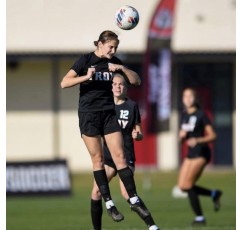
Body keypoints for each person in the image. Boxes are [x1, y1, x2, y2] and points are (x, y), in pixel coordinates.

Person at [61, 31, 155, 227]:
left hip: (108, 114)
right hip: (89, 115)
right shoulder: (85, 60)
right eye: (110, 47)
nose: (113, 51)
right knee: (98, 159)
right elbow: (64, 82)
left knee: (120, 157)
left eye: (116, 48)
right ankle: (110, 204)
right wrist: (85, 77)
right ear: (100, 44)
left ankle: (135, 200)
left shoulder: (114, 62)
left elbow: (136, 80)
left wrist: (121, 68)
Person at [90, 73, 159, 230]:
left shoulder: (131, 106)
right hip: (108, 157)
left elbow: (138, 132)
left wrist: (138, 135)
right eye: (114, 84)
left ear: (126, 88)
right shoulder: (105, 106)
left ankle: (152, 226)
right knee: (95, 193)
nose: (117, 87)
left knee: (127, 194)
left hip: (125, 156)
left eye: (121, 84)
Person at [178, 88, 223, 226]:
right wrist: (181, 138)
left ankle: (200, 218)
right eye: (185, 96)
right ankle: (213, 193)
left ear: (196, 98)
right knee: (182, 186)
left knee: (188, 185)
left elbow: (213, 136)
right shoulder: (184, 115)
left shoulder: (201, 115)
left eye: (191, 96)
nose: (188, 98)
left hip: (202, 153)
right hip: (191, 153)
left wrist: (198, 140)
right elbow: (181, 139)